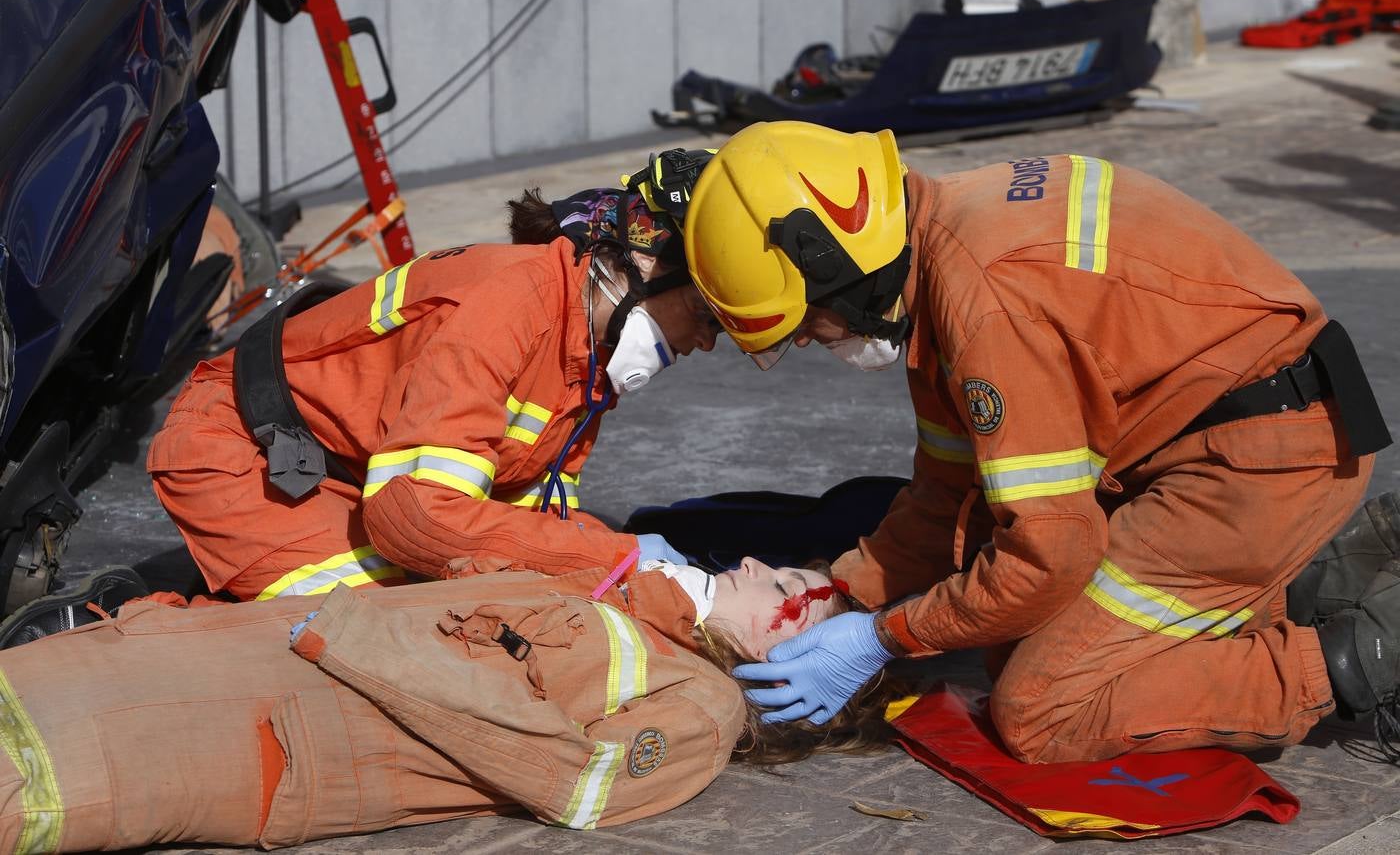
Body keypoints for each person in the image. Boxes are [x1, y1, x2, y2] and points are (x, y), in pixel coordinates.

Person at [680, 120, 1396, 764]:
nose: (809, 340)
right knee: (1011, 633)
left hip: (1260, 464)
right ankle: (1333, 562)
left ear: (833, 269)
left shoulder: (983, 308)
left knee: (1043, 707)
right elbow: (946, 495)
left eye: (803, 323)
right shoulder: (942, 242)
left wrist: (881, 639)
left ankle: (1365, 652)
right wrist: (847, 599)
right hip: (1247, 433)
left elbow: (1049, 554)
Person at [0, 555, 901, 850]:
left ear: (801, 659)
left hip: (216, 736)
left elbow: (582, 782)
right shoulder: (644, 622)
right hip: (172, 668)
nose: (750, 565)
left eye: (785, 583)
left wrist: (358, 644)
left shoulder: (703, 711)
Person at [136, 151, 719, 608]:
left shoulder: (587, 350)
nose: (707, 342)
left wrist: (612, 568)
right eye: (701, 314)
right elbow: (415, 518)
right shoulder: (512, 306)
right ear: (644, 265)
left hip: (341, 473)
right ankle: (124, 613)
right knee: (384, 639)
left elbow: (531, 510)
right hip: (246, 453)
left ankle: (223, 577)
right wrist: (617, 556)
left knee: (501, 603)